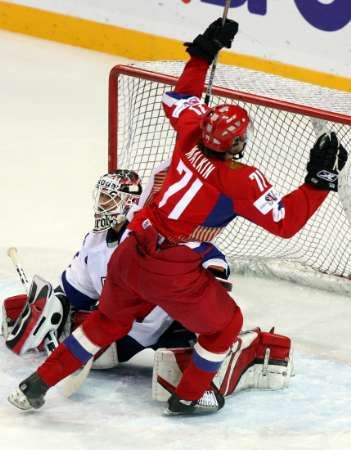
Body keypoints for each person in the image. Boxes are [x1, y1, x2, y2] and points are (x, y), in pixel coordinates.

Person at [8, 18, 347, 416]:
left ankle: (35, 384)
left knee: (104, 323)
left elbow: (181, 97)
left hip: (132, 251)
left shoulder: (189, 135)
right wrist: (319, 181)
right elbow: (286, 222)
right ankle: (188, 397)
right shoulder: (241, 180)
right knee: (224, 326)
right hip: (172, 270)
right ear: (237, 143)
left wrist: (202, 56)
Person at [3, 168, 230, 365]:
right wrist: (51, 310)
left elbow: (205, 250)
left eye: (107, 198)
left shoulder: (150, 232)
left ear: (128, 203)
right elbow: (74, 293)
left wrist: (214, 272)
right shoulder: (94, 242)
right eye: (100, 197)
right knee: (91, 348)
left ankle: (247, 350)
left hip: (170, 322)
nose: (100, 205)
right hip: (126, 327)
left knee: (191, 358)